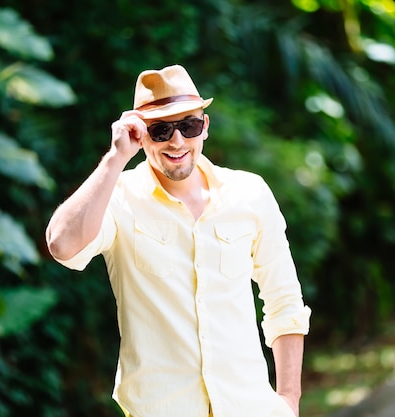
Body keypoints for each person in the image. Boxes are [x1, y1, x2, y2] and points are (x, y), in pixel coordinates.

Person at [46, 64, 311, 417]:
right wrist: (115, 158)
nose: (177, 141)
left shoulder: (250, 193)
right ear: (140, 135)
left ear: (205, 127)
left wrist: (289, 400)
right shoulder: (119, 199)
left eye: (189, 125)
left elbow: (284, 301)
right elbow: (62, 245)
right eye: (160, 129)